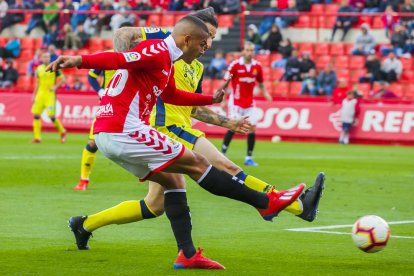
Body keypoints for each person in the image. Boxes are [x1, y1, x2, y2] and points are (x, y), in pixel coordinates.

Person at [47, 15, 310, 269]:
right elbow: (118, 58)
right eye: (202, 43)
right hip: (123, 129)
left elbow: (171, 94)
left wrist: (210, 99)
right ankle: (265, 203)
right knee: (198, 163)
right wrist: (77, 60)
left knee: (174, 181)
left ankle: (187, 254)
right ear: (186, 39)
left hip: (116, 131)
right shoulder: (158, 50)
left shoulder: (168, 61)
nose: (205, 49)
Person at [221, 41, 273, 166]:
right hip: (236, 102)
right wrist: (223, 99)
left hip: (250, 103)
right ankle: (222, 154)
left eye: (252, 50)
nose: (250, 53)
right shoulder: (235, 65)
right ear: (243, 51)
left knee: (252, 128)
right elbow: (225, 82)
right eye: (248, 50)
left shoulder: (257, 66)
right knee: (233, 126)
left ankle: (248, 157)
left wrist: (265, 92)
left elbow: (260, 82)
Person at [31, 52, 66, 143]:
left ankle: (62, 131)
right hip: (40, 95)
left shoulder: (54, 67)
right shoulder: (38, 69)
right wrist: (34, 95)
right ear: (41, 58)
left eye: (47, 57)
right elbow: (38, 83)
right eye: (44, 56)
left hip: (50, 95)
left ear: (50, 58)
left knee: (51, 116)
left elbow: (63, 79)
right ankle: (37, 138)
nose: (46, 58)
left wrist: (56, 87)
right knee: (36, 115)